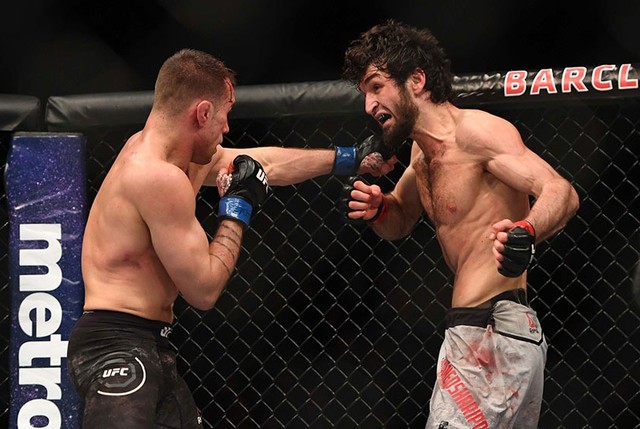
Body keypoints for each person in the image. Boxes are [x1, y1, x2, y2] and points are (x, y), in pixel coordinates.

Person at [67, 48, 396, 428]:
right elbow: (204, 289)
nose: (226, 128)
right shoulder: (156, 176)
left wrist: (351, 158)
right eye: (225, 115)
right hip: (118, 347)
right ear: (203, 112)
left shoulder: (168, 153)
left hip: (148, 342)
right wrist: (238, 208)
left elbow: (263, 164)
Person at [341, 21, 580, 429]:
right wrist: (379, 208)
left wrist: (527, 231)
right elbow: (401, 220)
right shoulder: (421, 154)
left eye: (376, 86)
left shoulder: (476, 133)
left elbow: (561, 191)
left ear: (416, 81)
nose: (369, 105)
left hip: (489, 333)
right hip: (489, 333)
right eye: (365, 92)